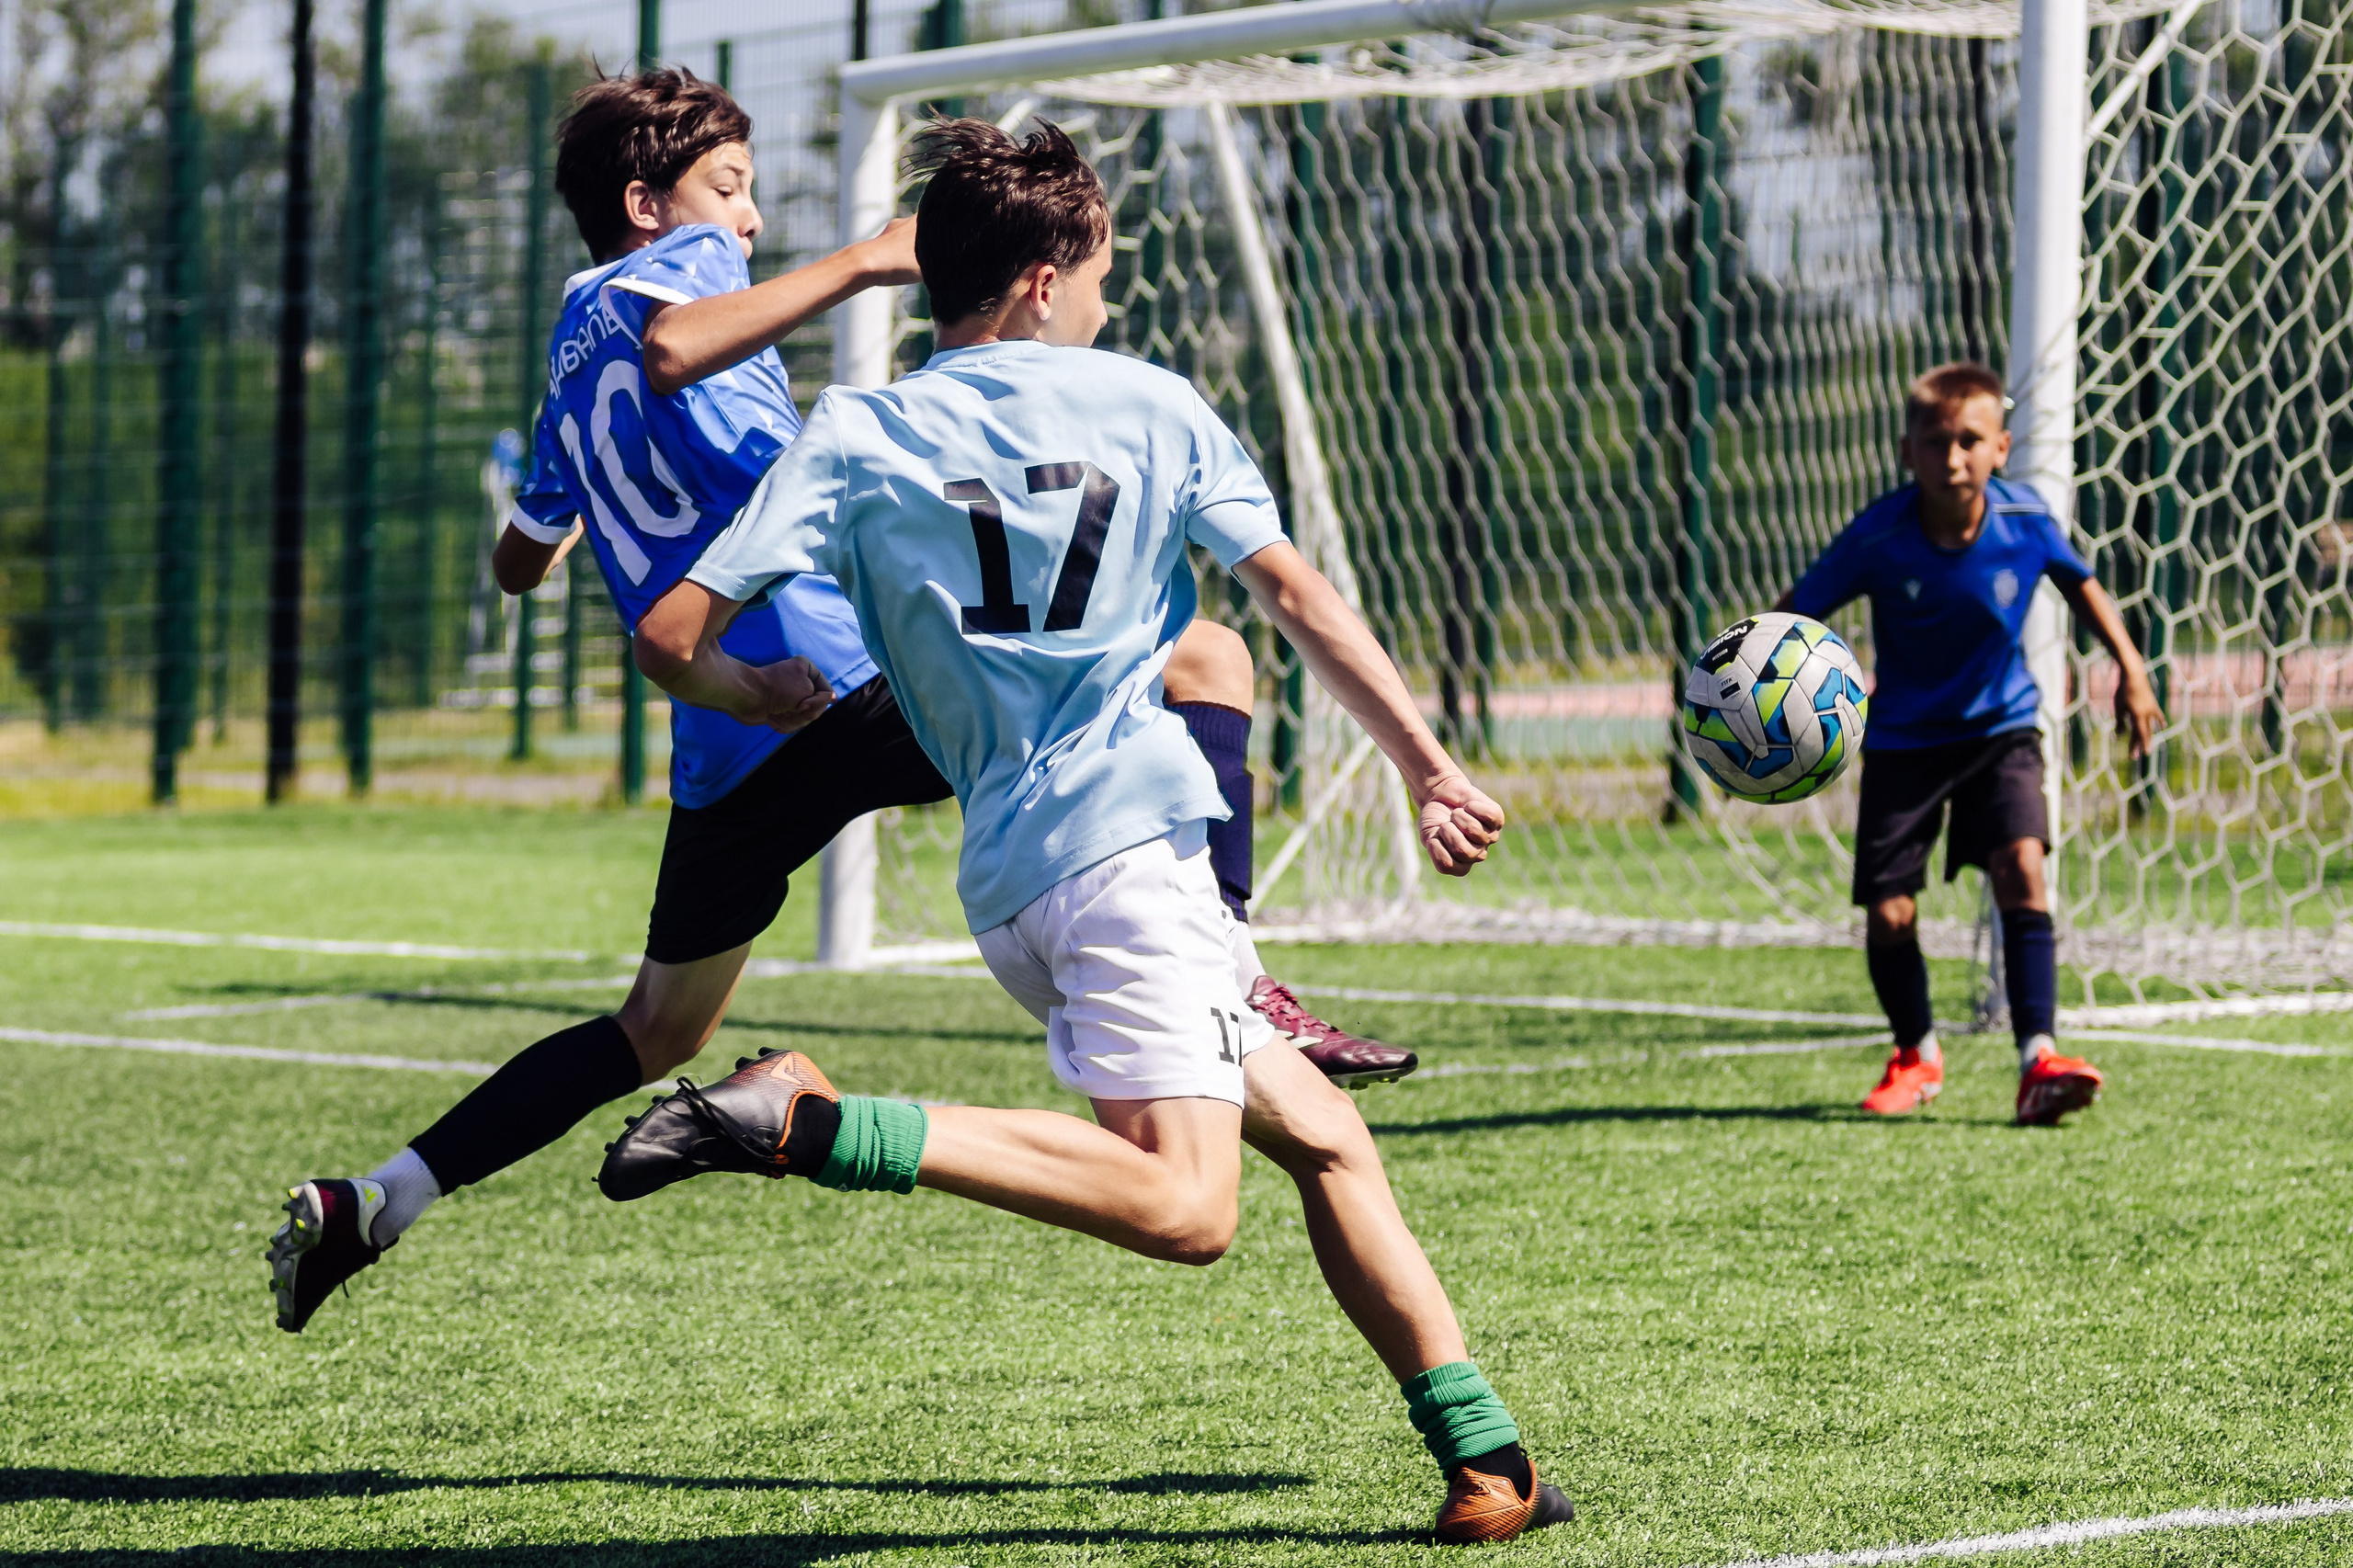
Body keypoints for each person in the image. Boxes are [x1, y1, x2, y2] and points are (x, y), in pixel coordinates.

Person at [264, 70, 1403, 1340]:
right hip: (847, 673)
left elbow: (522, 558)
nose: (746, 223)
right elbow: (677, 343)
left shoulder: (562, 363)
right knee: (1203, 660)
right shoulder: (665, 286)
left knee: (653, 1028)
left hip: (732, 736)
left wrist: (620, 503)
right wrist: (865, 263)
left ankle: (383, 1196)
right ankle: (1237, 974)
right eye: (729, 191)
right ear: (647, 207)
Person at [601, 119, 1574, 1545]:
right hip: (1130, 861)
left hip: (1010, 885)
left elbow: (672, 633)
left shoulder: (858, 432)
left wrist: (755, 689)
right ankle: (812, 1116)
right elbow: (1295, 601)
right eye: (1102, 269)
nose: (1107, 297)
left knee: (1325, 1134)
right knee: (1190, 1209)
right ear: (1047, 276)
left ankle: (1489, 1461)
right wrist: (1428, 764)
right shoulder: (1151, 403)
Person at [1775, 361, 2164, 1125]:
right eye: (1934, 442)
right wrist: (1767, 703)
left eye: (1968, 441)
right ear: (1905, 452)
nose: (1951, 457)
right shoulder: (1879, 535)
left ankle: (2037, 1059)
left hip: (2001, 729)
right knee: (1889, 914)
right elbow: (1794, 614)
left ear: (2001, 449)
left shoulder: (2024, 520)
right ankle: (1916, 1053)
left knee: (2023, 867)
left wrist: (2131, 666)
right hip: (1904, 742)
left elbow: (2080, 581)